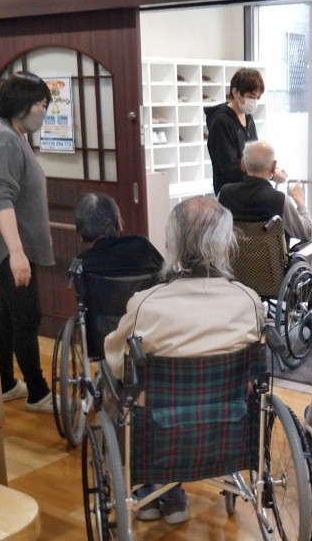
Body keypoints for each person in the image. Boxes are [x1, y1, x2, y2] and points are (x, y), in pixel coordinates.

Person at [104, 196, 266, 524]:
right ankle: (175, 491)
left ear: (171, 243)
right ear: (226, 245)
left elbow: (117, 363)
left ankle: (156, 487)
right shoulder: (249, 302)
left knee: (115, 387)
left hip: (164, 431)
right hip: (227, 428)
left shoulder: (145, 304)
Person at [0, 71, 57, 412]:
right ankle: (38, 392)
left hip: (12, 247)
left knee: (9, 318)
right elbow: (0, 197)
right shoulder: (3, 139)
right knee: (27, 316)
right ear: (21, 105)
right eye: (40, 104)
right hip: (9, 249)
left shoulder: (10, 133)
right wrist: (17, 253)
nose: (43, 111)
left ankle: (5, 383)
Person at [205, 67, 287, 195]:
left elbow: (254, 156)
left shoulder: (247, 117)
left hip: (250, 190)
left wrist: (269, 168)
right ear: (235, 92)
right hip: (231, 195)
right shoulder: (221, 122)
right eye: (251, 96)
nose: (254, 102)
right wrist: (269, 174)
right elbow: (229, 167)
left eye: (258, 98)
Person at [218, 139, 312, 245]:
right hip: (273, 256)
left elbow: (216, 232)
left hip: (234, 256)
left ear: (243, 164)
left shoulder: (225, 194)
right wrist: (300, 202)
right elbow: (308, 232)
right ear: (273, 167)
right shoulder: (279, 200)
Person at [73, 191, 163, 279]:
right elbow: (166, 274)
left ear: (81, 229)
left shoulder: (80, 266)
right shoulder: (142, 245)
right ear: (117, 221)